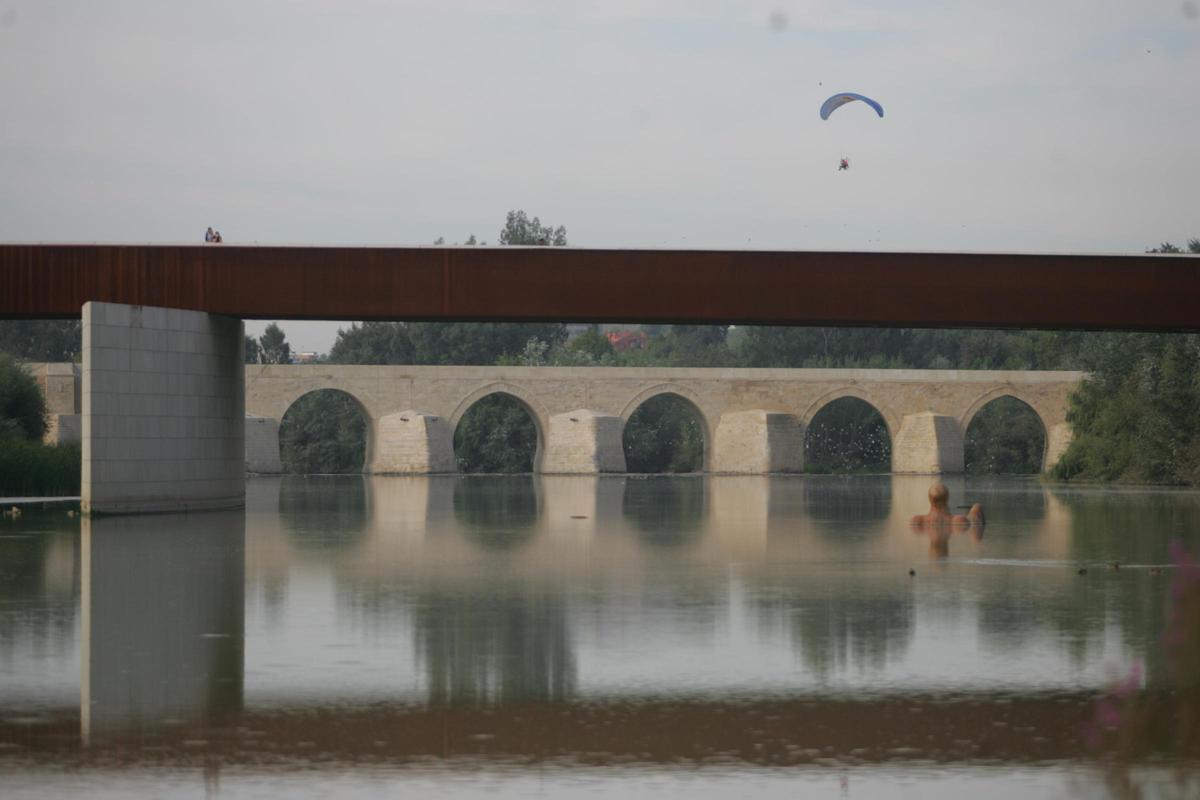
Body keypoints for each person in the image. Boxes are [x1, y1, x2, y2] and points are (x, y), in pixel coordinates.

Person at [909, 483, 984, 529]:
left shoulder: (916, 521)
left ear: (929, 499)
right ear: (947, 498)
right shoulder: (958, 521)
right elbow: (974, 521)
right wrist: (976, 507)